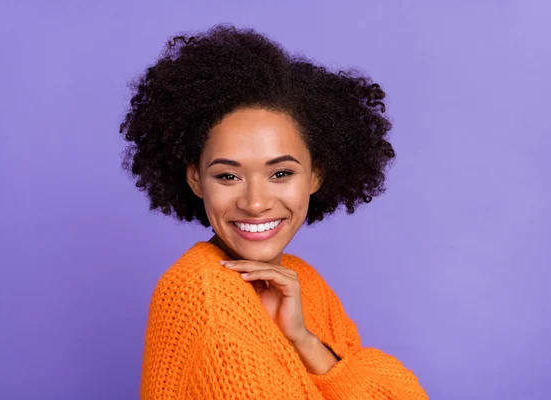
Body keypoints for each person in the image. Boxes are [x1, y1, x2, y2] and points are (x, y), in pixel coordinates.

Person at [119, 24, 428, 399]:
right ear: (196, 180)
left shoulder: (302, 282)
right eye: (228, 175)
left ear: (315, 176)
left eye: (280, 173)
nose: (255, 202)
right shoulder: (203, 293)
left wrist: (302, 339)